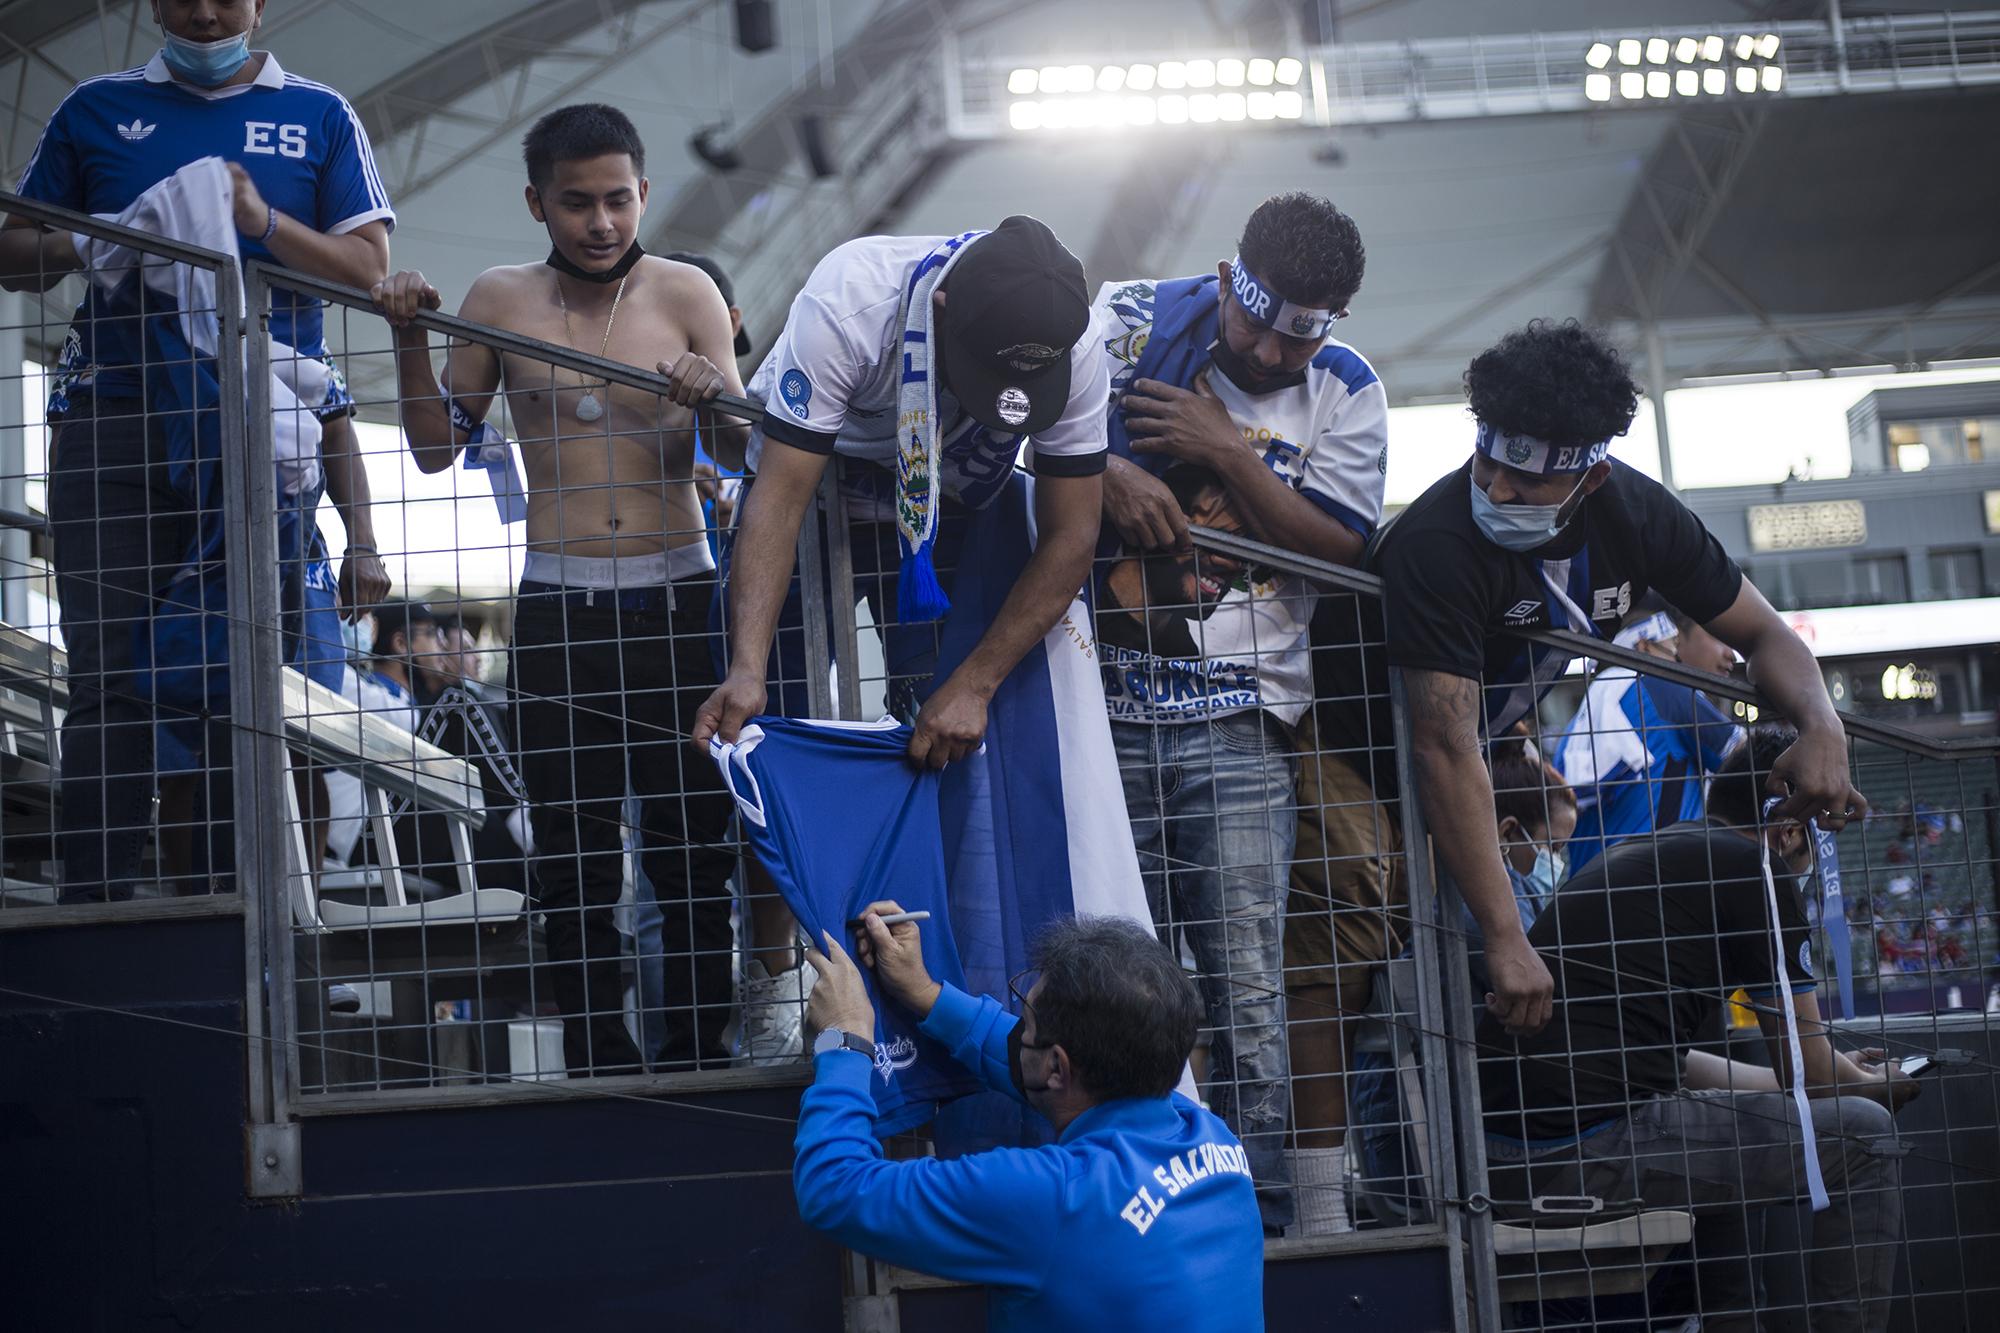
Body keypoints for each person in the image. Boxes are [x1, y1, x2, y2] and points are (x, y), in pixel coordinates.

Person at [1291, 319, 1865, 1176]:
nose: (1497, 487)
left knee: (1487, 993)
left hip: (1467, 751)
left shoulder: (1635, 514)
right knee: (1364, 954)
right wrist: (1502, 932)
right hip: (1351, 747)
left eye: (1527, 480)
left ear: (1589, 475)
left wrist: (1823, 728)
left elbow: (1765, 633)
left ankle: (1439, 1174)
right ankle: (1350, 1198)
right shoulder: (1440, 543)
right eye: (1488, 460)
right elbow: (1441, 746)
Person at [370, 103, 746, 1076]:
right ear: (538, 202)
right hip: (554, 601)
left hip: (677, 595)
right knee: (574, 852)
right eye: (575, 202)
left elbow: (749, 455)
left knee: (691, 846)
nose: (600, 223)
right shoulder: (499, 298)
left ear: (644, 193)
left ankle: (700, 1043)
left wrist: (719, 404)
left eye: (617, 199)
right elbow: (429, 449)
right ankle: (596, 1053)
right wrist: (407, 335)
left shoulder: (689, 289)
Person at [1, 0, 394, 901]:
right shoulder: (93, 108)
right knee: (109, 680)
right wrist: (107, 233)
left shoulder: (321, 116)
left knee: (242, 686)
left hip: (256, 435)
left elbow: (371, 272)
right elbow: (14, 254)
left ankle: (230, 915)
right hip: (114, 424)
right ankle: (93, 907)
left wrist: (255, 219)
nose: (205, 12)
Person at [691, 217, 1109, 1059]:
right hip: (816, 491)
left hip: (948, 507)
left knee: (953, 745)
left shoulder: (1077, 335)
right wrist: (746, 670)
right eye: (981, 370)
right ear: (943, 310)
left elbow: (1072, 534)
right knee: (769, 743)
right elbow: (775, 497)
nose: (993, 390)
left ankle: (947, 986)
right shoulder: (852, 302)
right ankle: (777, 987)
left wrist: (976, 684)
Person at [1090, 192, 1385, 1234]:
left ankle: (1250, 1212)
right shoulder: (1128, 316)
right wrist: (1110, 470)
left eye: (1298, 332)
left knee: (1244, 984)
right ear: (1224, 279)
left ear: (1332, 319)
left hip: (1243, 721)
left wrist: (1224, 454)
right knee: (1117, 974)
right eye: (1253, 316)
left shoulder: (1347, 389)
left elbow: (1342, 553)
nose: (1265, 347)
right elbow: (1028, 438)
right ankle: (1126, 1200)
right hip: (1102, 710)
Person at [1480, 724, 1917, 1332]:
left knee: (1727, 1129)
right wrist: (1871, 1084)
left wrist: (1838, 1074)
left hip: (1504, 1152)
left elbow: (1675, 1062)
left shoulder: (1671, 849)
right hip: (1572, 1154)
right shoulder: (1754, 868)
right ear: (1790, 827)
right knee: (1867, 1136)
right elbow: (1812, 1072)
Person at [796, 904, 1264, 1332]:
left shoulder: (1056, 1196)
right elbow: (1029, 1066)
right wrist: (926, 994)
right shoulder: (1213, 1139)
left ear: (1058, 1067)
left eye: (1027, 1023)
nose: (1017, 1030)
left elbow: (834, 1188)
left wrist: (847, 1037)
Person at [1554, 606, 1742, 873]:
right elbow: (1744, 755)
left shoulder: (1585, 709)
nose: (1677, 658)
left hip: (1588, 882)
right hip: (1657, 878)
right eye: (1671, 647)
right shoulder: (1664, 688)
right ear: (1643, 646)